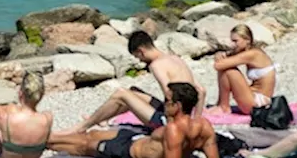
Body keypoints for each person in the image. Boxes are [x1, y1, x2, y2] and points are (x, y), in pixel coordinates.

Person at [47, 83, 219, 158]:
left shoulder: (174, 130)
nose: (164, 104)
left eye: (167, 100)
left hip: (126, 153)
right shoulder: (204, 126)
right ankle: (42, 137)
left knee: (83, 145)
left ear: (178, 105)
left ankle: (41, 141)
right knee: (92, 134)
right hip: (134, 139)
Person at [55, 30, 203, 135]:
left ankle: (81, 127)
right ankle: (103, 120)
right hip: (184, 116)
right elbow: (201, 90)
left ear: (141, 51)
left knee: (121, 94)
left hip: (168, 121)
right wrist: (195, 120)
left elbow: (169, 93)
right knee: (133, 92)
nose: (139, 61)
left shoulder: (156, 65)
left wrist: (171, 124)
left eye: (137, 57)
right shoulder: (174, 58)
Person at [208, 24, 277, 114]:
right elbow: (222, 58)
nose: (232, 44)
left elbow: (218, 66)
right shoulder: (249, 51)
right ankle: (221, 105)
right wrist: (220, 54)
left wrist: (221, 58)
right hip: (256, 97)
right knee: (226, 67)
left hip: (259, 104)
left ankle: (223, 106)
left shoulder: (253, 54)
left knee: (230, 71)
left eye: (235, 41)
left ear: (247, 40)